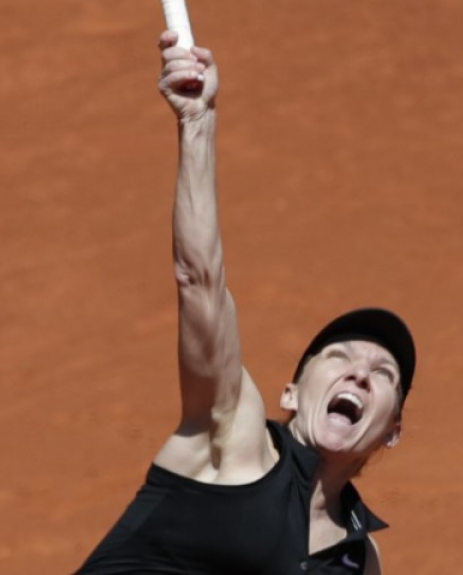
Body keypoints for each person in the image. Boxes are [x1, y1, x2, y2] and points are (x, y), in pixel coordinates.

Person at [74, 32, 417, 575]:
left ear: (393, 428)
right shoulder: (233, 433)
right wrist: (197, 124)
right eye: (338, 357)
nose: (359, 374)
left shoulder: (359, 560)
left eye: (383, 374)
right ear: (290, 393)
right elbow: (200, 280)